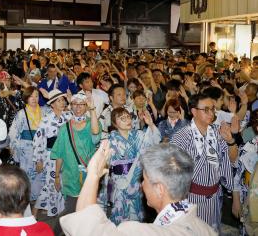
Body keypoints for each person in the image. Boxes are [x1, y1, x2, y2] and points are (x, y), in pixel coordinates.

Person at [59, 142, 216, 236]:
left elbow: (87, 229)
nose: (142, 185)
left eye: (144, 179)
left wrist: (93, 175)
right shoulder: (206, 229)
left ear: (160, 189)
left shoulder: (139, 232)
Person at [171, 93, 236, 232]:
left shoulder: (217, 133)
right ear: (194, 111)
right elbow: (171, 170)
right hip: (191, 198)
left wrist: (230, 141)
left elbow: (232, 160)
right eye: (206, 109)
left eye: (212, 109)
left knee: (213, 231)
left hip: (215, 196)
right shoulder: (182, 136)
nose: (211, 113)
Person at [106, 107, 161, 224]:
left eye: (128, 117)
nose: (127, 120)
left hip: (137, 181)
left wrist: (150, 124)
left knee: (137, 216)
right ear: (115, 124)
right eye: (122, 118)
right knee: (121, 216)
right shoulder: (111, 139)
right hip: (120, 183)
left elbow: (155, 141)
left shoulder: (139, 134)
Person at [51, 92, 101, 215]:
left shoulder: (92, 123)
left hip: (89, 173)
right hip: (70, 175)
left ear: (86, 106)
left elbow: (95, 134)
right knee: (71, 209)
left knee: (87, 209)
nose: (78, 107)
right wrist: (57, 176)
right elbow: (59, 154)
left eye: (82, 104)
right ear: (70, 106)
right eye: (75, 104)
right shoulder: (65, 128)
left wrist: (92, 109)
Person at [33, 89, 72, 216]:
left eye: (63, 100)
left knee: (62, 181)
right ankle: (38, 210)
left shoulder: (69, 116)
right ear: (52, 104)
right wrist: (39, 159)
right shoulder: (46, 119)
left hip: (67, 155)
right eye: (58, 101)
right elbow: (38, 139)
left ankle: (57, 209)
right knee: (51, 182)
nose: (62, 103)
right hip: (51, 155)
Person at [9, 86, 49, 204]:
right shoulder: (21, 113)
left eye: (36, 96)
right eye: (31, 96)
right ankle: (25, 203)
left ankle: (37, 202)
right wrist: (14, 147)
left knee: (40, 175)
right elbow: (13, 132)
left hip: (42, 147)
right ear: (26, 98)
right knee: (26, 175)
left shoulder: (45, 110)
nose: (34, 98)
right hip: (26, 149)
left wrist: (49, 97)